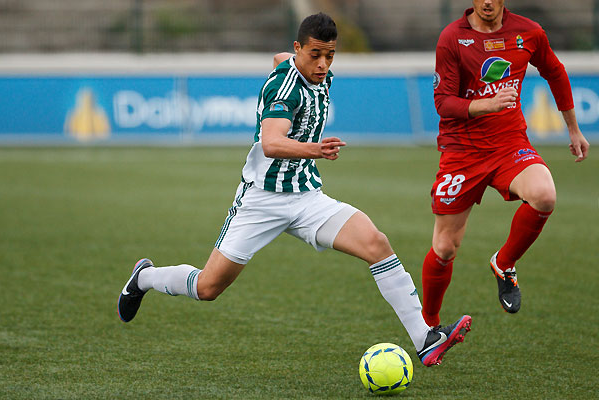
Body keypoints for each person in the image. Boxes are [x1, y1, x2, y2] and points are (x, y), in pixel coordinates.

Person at [117, 12, 471, 366]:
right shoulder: (285, 89)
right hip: (262, 201)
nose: (322, 64)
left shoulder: (309, 69)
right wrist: (315, 149)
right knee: (208, 288)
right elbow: (271, 142)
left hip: (306, 197)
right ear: (298, 47)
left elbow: (280, 59)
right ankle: (145, 277)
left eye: (329, 55)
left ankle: (424, 338)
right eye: (315, 55)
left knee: (376, 244)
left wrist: (293, 63)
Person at [421, 0, 590, 326]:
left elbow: (554, 71)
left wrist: (573, 128)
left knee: (545, 195)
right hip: (462, 152)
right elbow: (443, 102)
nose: (487, 2)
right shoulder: (452, 38)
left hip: (509, 144)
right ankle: (428, 325)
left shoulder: (529, 32)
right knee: (444, 248)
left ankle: (504, 262)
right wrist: (487, 105)